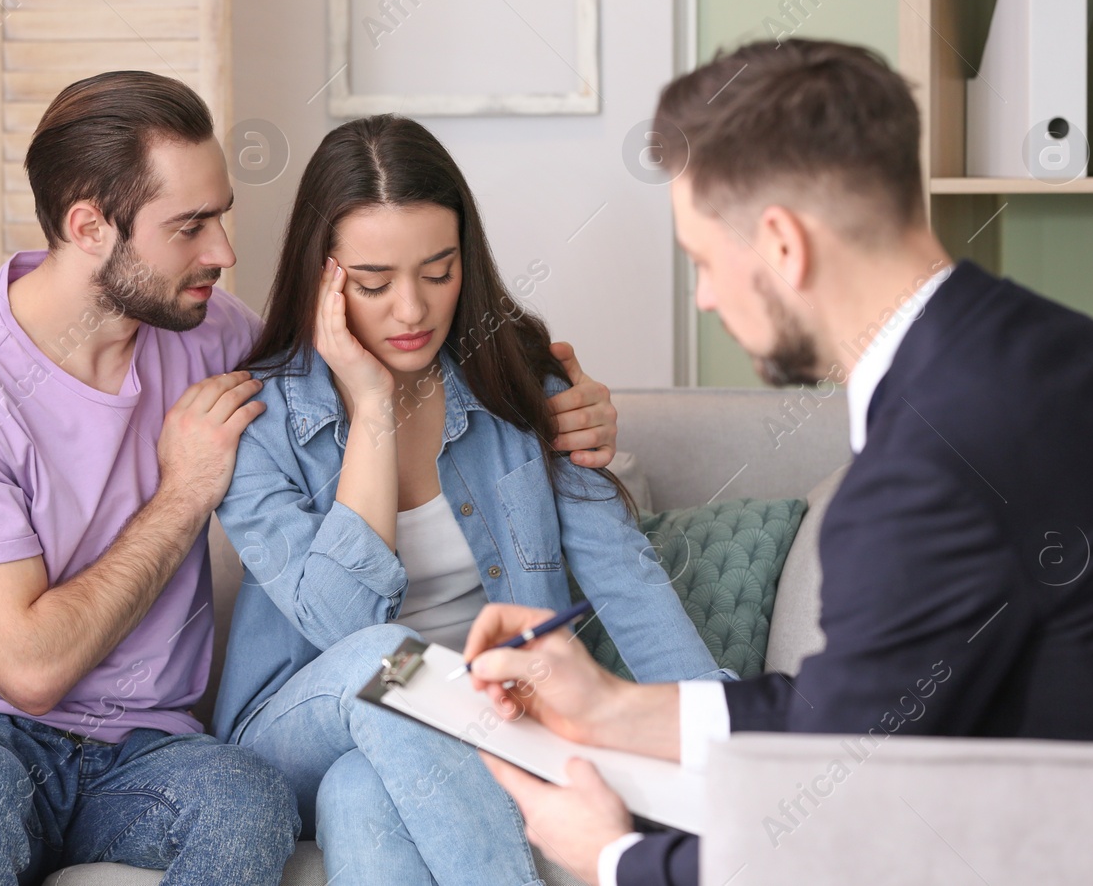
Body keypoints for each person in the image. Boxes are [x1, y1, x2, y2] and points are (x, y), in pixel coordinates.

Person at [460, 39, 1093, 886]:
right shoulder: (1045, 351)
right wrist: (614, 708)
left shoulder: (931, 458)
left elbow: (828, 840)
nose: (704, 296)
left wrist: (611, 854)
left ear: (781, 245)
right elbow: (855, 722)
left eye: (702, 260)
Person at [0, 69, 607, 886]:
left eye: (222, 216)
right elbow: (29, 669)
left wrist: (562, 403)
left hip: (143, 749)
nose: (225, 253)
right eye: (190, 226)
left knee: (247, 800)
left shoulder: (211, 336)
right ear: (90, 225)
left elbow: (397, 356)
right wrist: (183, 491)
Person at [211, 114, 729, 886]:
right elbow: (347, 631)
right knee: (394, 663)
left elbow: (628, 582)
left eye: (439, 270)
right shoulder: (261, 424)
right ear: (323, 275)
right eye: (375, 282)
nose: (413, 310)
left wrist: (736, 762)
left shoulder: (521, 386)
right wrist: (374, 413)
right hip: (299, 726)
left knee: (362, 795)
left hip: (493, 727)